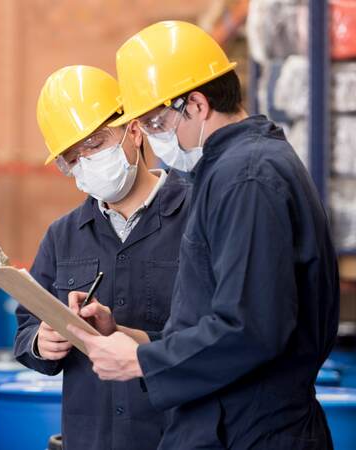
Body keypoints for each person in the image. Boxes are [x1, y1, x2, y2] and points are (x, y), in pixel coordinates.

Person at [68, 21, 340, 449]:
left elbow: (252, 329)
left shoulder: (247, 177)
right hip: (227, 423)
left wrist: (141, 361)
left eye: (157, 122)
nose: (155, 141)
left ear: (195, 103)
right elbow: (216, 318)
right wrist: (130, 336)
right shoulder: (226, 171)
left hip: (250, 431)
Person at [13, 65, 191, 450]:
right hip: (90, 439)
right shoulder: (62, 236)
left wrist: (133, 339)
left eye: (94, 144)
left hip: (178, 436)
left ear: (134, 130)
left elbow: (220, 332)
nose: (85, 163)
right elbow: (26, 329)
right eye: (72, 158)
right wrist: (42, 343)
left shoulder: (198, 216)